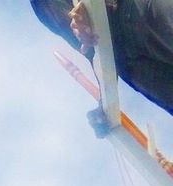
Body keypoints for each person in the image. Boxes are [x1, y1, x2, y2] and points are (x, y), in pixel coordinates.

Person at [31, 0, 173, 115]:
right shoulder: (42, 6)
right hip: (128, 64)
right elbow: (90, 51)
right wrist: (105, 104)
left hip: (135, 10)